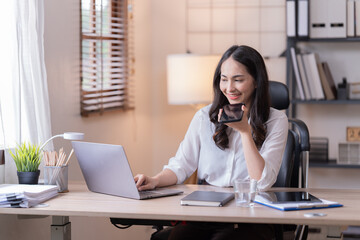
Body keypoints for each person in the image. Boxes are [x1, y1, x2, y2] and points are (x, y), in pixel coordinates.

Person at [135, 45, 288, 240]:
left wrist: (244, 132)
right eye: (224, 79)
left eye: (238, 80)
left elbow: (263, 181)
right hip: (206, 212)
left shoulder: (276, 121)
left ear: (256, 81)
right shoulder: (204, 117)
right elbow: (181, 165)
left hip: (251, 216)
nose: (229, 88)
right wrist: (155, 180)